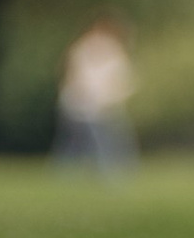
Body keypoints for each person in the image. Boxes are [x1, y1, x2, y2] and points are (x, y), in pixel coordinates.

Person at [54, 17, 139, 174]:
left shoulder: (111, 54)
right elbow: (78, 80)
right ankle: (103, 171)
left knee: (90, 141)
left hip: (103, 106)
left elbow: (121, 81)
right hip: (83, 105)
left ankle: (115, 170)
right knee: (86, 141)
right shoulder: (84, 51)